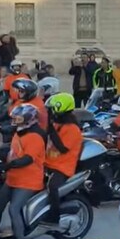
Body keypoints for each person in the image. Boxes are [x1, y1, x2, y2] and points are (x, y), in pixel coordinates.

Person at [0, 104, 46, 239]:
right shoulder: (20, 132)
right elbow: (13, 150)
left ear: (29, 120)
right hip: (13, 178)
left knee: (14, 209)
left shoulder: (35, 136)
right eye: (14, 118)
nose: (15, 121)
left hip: (28, 181)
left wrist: (8, 165)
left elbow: (27, 159)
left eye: (18, 118)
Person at [40, 93, 83, 229]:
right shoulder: (58, 124)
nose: (50, 113)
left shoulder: (72, 129)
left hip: (63, 167)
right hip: (49, 163)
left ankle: (54, 217)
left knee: (52, 187)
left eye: (52, 110)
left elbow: (62, 148)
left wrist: (51, 129)